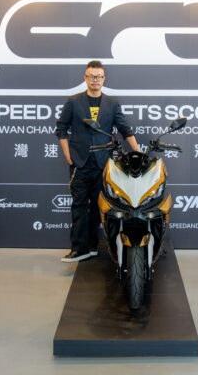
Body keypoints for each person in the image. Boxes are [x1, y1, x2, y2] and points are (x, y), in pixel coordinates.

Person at [55, 61, 140, 262]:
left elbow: (125, 130)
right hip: (80, 163)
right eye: (91, 76)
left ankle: (92, 246)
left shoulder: (112, 104)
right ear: (85, 78)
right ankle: (79, 248)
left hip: (103, 163)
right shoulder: (74, 102)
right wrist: (68, 156)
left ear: (104, 79)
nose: (95, 80)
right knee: (79, 206)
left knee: (98, 207)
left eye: (99, 76)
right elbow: (61, 129)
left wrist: (138, 152)